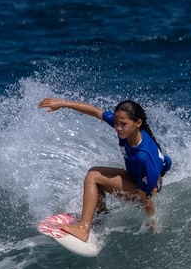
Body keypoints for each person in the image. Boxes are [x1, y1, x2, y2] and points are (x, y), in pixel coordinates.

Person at [38, 97, 172, 242]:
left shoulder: (143, 155)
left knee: (93, 177)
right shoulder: (128, 130)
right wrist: (63, 104)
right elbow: (96, 112)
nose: (118, 128)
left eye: (123, 124)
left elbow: (146, 195)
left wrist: (152, 221)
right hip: (137, 176)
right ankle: (102, 217)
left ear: (138, 123)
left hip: (145, 187)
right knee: (97, 174)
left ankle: (83, 229)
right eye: (116, 123)